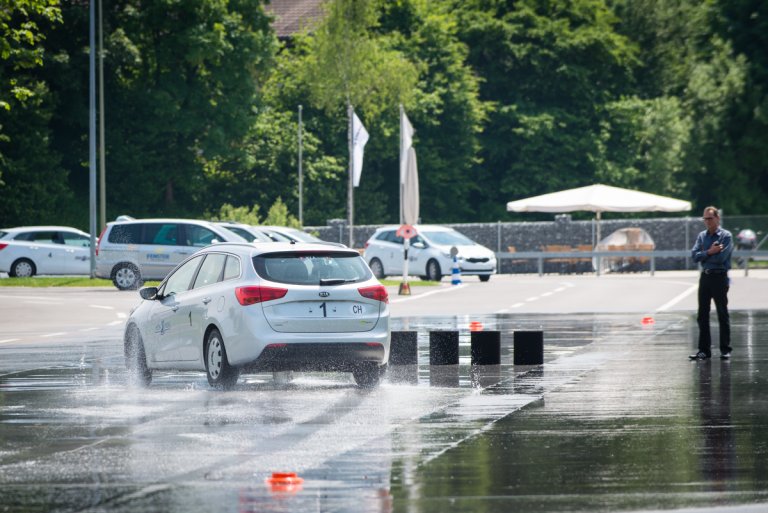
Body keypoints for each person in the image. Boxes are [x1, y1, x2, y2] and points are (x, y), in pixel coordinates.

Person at [690, 206, 733, 360]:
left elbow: (721, 258)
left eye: (710, 218)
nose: (707, 221)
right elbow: (694, 256)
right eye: (705, 219)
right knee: (702, 315)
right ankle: (704, 350)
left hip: (719, 277)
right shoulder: (702, 236)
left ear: (717, 218)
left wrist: (706, 255)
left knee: (722, 313)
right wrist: (709, 252)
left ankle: (725, 349)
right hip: (706, 277)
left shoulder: (725, 236)